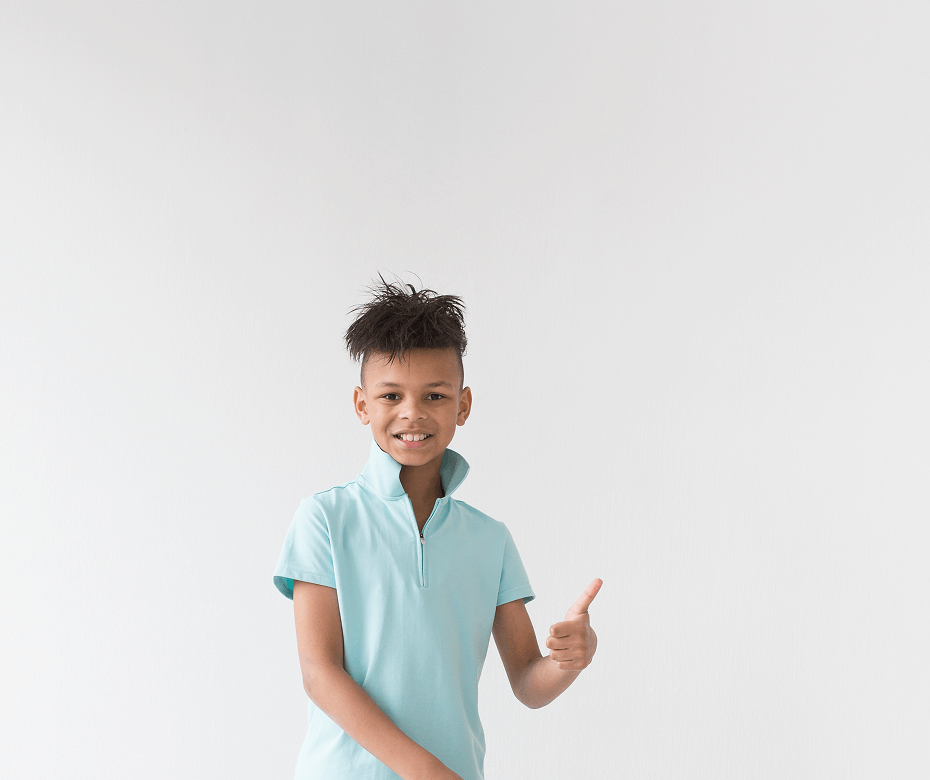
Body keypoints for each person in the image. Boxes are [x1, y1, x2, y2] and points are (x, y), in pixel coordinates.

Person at [273, 276, 602, 780]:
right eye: (390, 395)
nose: (412, 412)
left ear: (462, 405)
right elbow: (320, 675)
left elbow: (528, 683)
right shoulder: (324, 519)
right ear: (362, 405)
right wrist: (426, 771)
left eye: (434, 394)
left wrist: (570, 660)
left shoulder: (490, 540)